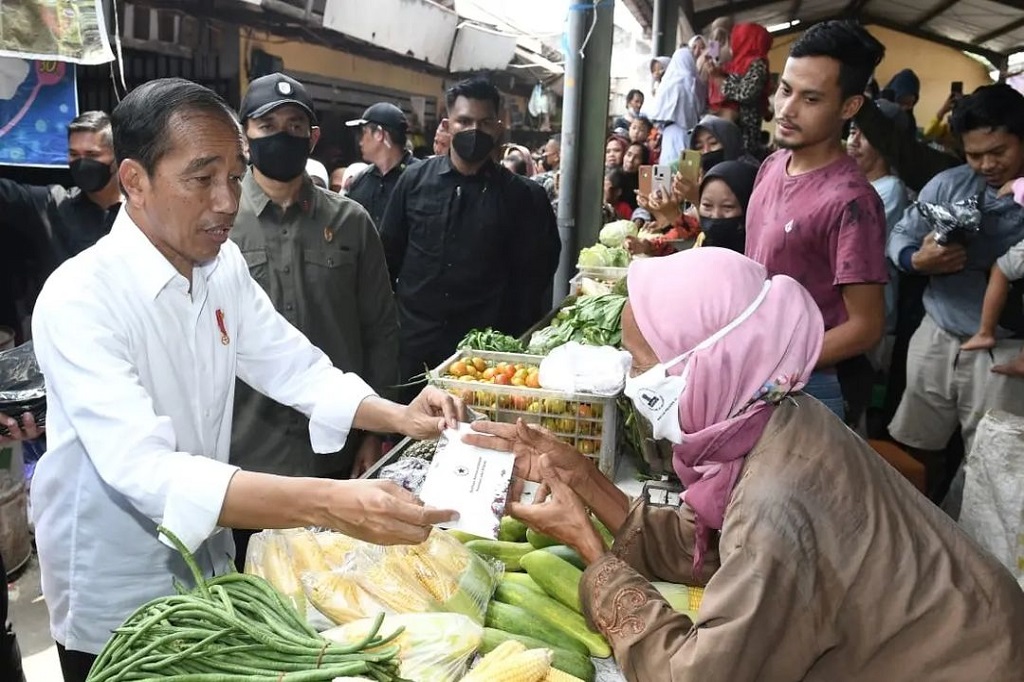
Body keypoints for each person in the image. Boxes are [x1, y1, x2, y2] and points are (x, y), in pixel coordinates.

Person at [29, 78, 461, 682]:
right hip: (116, 590)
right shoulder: (81, 297)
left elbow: (291, 363)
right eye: (202, 178)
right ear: (134, 180)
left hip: (210, 576)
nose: (227, 201)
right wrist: (332, 504)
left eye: (234, 177)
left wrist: (399, 416)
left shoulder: (219, 265)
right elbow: (146, 469)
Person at [466, 247, 1024, 681]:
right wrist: (583, 477)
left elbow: (696, 674)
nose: (634, 382)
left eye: (642, 363)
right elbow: (708, 546)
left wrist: (592, 552)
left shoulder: (775, 499)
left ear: (709, 365)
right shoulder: (774, 417)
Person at [228, 73, 401, 568]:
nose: (281, 136)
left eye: (294, 126)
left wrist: (371, 433)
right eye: (267, 126)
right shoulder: (220, 222)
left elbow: (380, 331)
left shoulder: (351, 222)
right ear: (245, 136)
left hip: (335, 457)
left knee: (338, 588)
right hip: (244, 462)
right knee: (251, 593)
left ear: (313, 137)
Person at [887, 83, 1024, 509]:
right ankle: (912, 518)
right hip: (938, 333)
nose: (986, 165)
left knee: (992, 460)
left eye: (998, 152)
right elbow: (901, 235)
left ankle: (968, 539)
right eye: (973, 155)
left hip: (1005, 351)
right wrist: (916, 259)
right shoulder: (948, 186)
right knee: (914, 444)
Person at [745, 20, 889, 422]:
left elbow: (866, 326)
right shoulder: (773, 164)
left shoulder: (852, 201)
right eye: (785, 90)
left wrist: (780, 369)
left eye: (810, 99)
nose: (787, 109)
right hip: (757, 365)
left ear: (849, 107)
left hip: (812, 386)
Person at [380, 77, 560, 395]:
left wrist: (508, 339)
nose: (474, 131)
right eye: (464, 121)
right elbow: (387, 256)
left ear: (499, 127)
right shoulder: (414, 182)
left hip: (486, 360)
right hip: (415, 348)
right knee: (411, 422)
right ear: (447, 124)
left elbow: (537, 275)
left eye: (485, 122)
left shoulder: (524, 198)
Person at [1, 111, 122, 337]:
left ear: (117, 157)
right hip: (63, 337)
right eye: (74, 154)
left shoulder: (142, 212)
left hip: (125, 337)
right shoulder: (53, 204)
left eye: (92, 154)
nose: (82, 163)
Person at [847, 100, 911, 373]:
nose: (854, 141)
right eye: (853, 131)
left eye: (866, 135)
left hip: (870, 312)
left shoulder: (889, 190)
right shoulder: (859, 184)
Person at [345, 102, 421, 230]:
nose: (360, 141)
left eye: (364, 132)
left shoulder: (421, 178)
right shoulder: (360, 181)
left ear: (379, 134)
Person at [706, 23, 773, 155]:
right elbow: (713, 57)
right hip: (733, 124)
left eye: (736, 37)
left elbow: (746, 93)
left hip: (745, 129)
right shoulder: (738, 61)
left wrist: (720, 80)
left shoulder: (757, 64)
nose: (732, 41)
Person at [642, 37, 708, 168]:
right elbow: (701, 107)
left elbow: (655, 113)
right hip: (690, 132)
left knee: (667, 167)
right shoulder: (696, 82)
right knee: (687, 169)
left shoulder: (667, 83)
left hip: (669, 132)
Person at [695, 161, 759, 252]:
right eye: (707, 205)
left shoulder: (760, 253)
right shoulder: (700, 244)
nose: (716, 215)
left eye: (728, 207)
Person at [884, 68, 921, 132]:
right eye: (901, 102)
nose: (904, 108)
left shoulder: (910, 122)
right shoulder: (877, 114)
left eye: (909, 104)